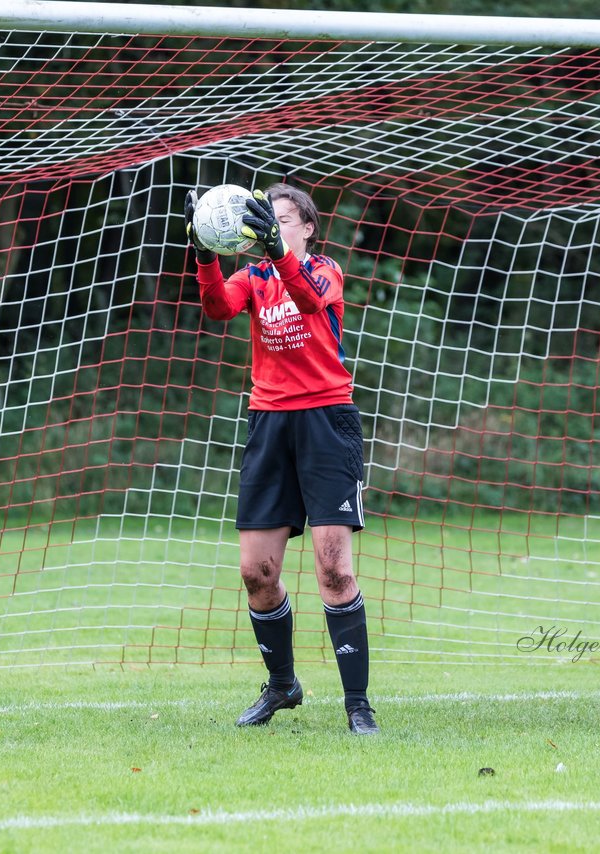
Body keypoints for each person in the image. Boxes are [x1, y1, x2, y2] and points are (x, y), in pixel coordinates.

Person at [185, 183, 378, 735]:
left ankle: (357, 704)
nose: (272, 226)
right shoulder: (252, 277)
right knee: (257, 573)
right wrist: (204, 254)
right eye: (266, 219)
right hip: (270, 423)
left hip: (326, 422)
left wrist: (278, 251)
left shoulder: (325, 270)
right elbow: (218, 306)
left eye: (283, 219)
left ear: (307, 228)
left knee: (334, 571)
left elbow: (310, 300)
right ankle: (283, 684)